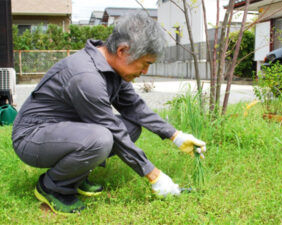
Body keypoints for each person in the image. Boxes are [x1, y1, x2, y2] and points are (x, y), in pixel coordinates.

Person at [12, 11, 206, 215]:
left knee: (130, 127)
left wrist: (175, 135)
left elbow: (135, 108)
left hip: (64, 130)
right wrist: (154, 175)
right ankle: (52, 187)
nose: (146, 72)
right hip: (32, 137)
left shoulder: (112, 69)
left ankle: (75, 176)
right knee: (102, 137)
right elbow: (111, 129)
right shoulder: (86, 76)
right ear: (123, 50)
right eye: (146, 63)